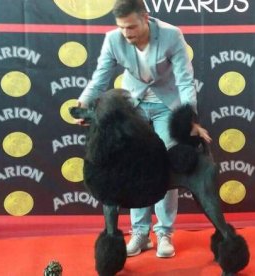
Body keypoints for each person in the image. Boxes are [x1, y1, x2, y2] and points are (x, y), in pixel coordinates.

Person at [76, 0, 211, 258]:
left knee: (164, 166)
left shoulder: (172, 35)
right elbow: (100, 77)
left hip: (166, 105)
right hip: (132, 107)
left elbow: (184, 81)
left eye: (131, 27)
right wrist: (83, 104)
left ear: (145, 17)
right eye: (122, 28)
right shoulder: (114, 39)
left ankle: (164, 233)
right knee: (133, 167)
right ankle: (139, 233)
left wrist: (188, 119)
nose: (127, 34)